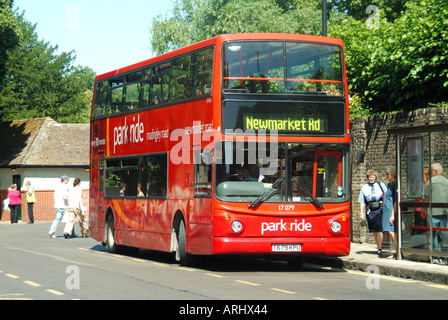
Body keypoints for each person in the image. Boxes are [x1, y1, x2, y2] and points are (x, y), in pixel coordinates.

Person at [358, 169, 387, 256]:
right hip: (370, 209)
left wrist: (383, 201)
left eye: (373, 177)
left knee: (379, 229)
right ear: (368, 178)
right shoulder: (364, 187)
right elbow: (362, 201)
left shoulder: (381, 185)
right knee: (374, 230)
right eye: (370, 177)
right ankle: (378, 246)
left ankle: (380, 248)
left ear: (375, 177)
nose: (371, 179)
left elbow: (387, 196)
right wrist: (362, 213)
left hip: (379, 208)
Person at [423, 163, 448, 254]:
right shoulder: (447, 181)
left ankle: (435, 254)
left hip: (433, 212)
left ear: (436, 171)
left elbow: (427, 197)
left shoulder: (431, 181)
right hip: (444, 212)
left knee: (433, 234)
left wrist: (423, 209)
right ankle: (444, 255)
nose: (430, 173)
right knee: (444, 234)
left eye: (431, 171)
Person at [382, 167, 398, 259]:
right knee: (391, 232)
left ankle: (397, 252)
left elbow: (395, 201)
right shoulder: (390, 184)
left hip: (390, 212)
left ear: (393, 175)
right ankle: (396, 252)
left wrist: (392, 215)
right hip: (387, 211)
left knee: (392, 232)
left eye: (387, 174)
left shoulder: (394, 185)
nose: (386, 176)